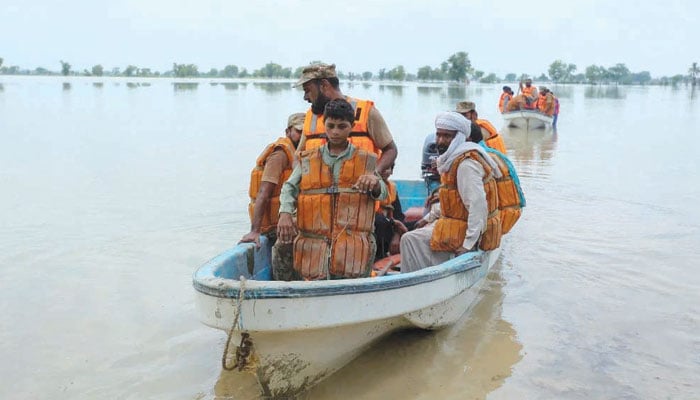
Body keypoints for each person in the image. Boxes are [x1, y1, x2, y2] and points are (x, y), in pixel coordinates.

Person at [275, 98, 388, 280]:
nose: (335, 132)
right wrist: (285, 213)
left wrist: (374, 182)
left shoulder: (366, 160)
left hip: (352, 248)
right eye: (331, 126)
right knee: (282, 248)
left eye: (342, 126)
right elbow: (289, 187)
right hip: (314, 245)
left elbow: (383, 192)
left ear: (351, 126)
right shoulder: (308, 159)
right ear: (324, 125)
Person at [399, 112, 502, 273]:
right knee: (417, 232)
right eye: (438, 135)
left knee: (409, 239)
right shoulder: (454, 160)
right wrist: (427, 219)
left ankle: (414, 282)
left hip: (470, 233)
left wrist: (468, 245)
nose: (440, 141)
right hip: (458, 223)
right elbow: (454, 203)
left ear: (460, 137)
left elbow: (478, 206)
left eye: (447, 136)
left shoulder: (466, 165)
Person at [294, 63, 398, 175]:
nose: (305, 97)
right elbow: (297, 157)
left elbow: (390, 150)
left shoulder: (365, 112)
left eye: (307, 90)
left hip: (359, 190)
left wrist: (375, 174)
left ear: (324, 85)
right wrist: (297, 180)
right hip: (318, 191)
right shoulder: (310, 117)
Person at [240, 113, 304, 253]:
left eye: (305, 133)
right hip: (276, 227)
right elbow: (263, 192)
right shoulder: (279, 155)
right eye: (299, 131)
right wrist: (254, 231)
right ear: (288, 132)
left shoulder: (302, 153)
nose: (302, 136)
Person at [374, 163, 410, 259]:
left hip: (391, 225)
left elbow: (399, 215)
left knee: (414, 225)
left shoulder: (392, 188)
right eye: (382, 168)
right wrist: (393, 222)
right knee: (381, 221)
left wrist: (397, 234)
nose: (384, 171)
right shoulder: (371, 187)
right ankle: (379, 256)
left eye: (387, 168)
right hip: (378, 225)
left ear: (392, 171)